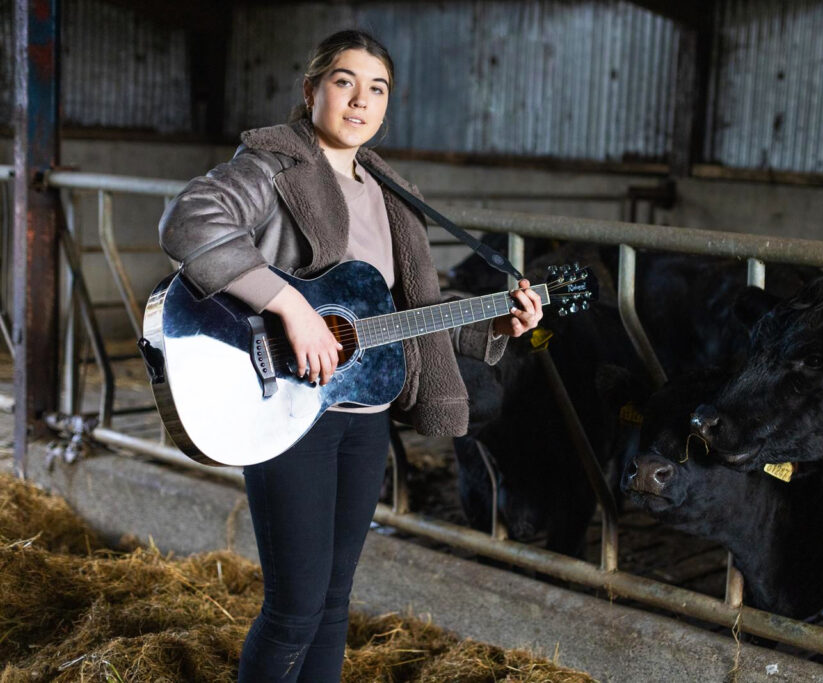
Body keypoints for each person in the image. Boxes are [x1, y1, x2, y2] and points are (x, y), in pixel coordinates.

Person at [158, 29, 542, 682]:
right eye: (344, 82)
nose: (360, 100)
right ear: (311, 92)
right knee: (295, 607)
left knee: (335, 601)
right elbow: (187, 220)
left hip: (362, 410)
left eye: (377, 88)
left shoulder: (392, 192)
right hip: (285, 401)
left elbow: (397, 314)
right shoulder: (274, 164)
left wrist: (498, 321)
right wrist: (288, 301)